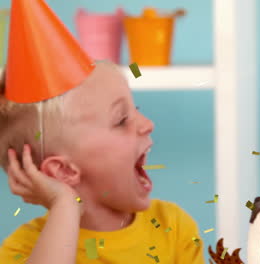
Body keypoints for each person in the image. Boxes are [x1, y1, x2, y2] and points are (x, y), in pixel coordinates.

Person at [0, 1, 205, 263]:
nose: (147, 123)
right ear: (64, 171)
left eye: (136, 108)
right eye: (121, 120)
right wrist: (65, 205)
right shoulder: (26, 248)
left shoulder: (173, 228)